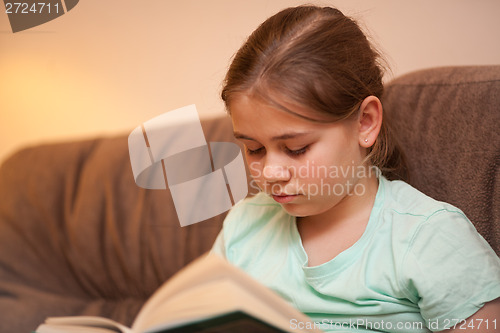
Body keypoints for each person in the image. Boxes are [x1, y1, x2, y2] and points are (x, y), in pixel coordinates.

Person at [211, 5, 500, 332]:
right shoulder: (243, 228)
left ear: (365, 122)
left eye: (296, 148)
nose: (271, 172)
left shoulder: (428, 239)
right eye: (254, 149)